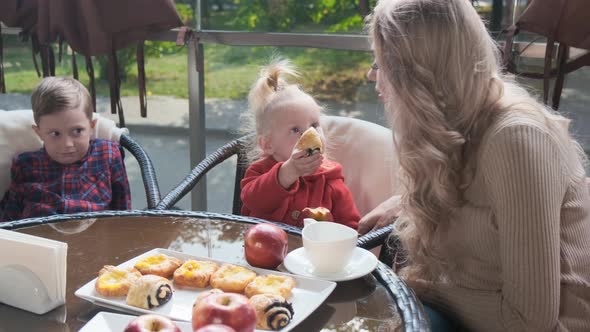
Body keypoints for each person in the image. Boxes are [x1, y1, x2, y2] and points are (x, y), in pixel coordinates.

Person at [366, 0, 590, 331]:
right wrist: (405, 204)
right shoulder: (465, 118)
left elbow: (529, 322)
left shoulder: (515, 141)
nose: (373, 77)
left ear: (421, 78)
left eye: (381, 64)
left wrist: (415, 287)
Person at [240, 59, 360, 229]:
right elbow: (252, 201)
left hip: (314, 255)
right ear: (267, 144)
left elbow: (351, 226)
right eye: (296, 130)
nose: (309, 134)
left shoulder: (330, 179)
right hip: (263, 252)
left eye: (314, 126)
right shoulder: (260, 172)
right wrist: (287, 172)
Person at [0, 77, 131, 221]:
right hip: (41, 238)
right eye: (55, 134)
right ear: (39, 133)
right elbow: (9, 217)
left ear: (92, 126)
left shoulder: (108, 154)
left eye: (77, 131)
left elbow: (124, 212)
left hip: (94, 238)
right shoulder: (25, 164)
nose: (67, 144)